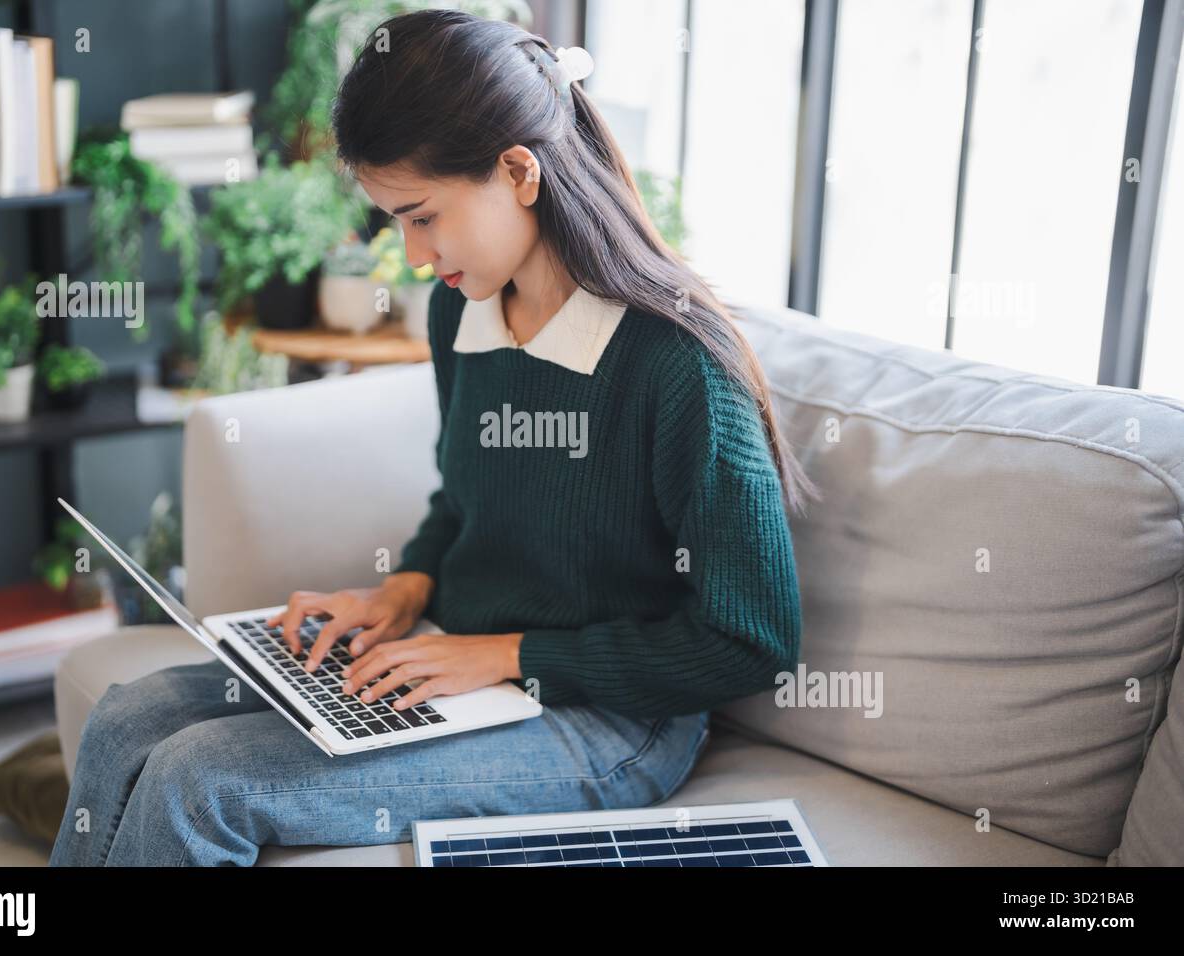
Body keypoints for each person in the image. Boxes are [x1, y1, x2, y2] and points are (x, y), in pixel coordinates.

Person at [48, 8, 818, 867]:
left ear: (519, 170)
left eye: (422, 216)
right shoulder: (465, 305)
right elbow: (464, 499)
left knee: (202, 778)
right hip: (458, 660)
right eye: (396, 223)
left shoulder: (678, 367)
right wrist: (402, 594)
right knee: (127, 718)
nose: (415, 256)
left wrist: (505, 655)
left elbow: (751, 641)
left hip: (612, 725)